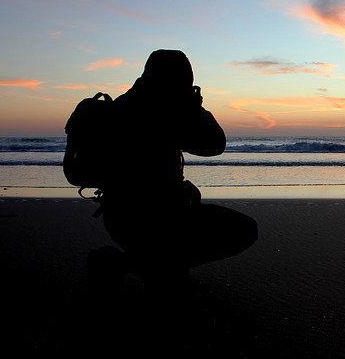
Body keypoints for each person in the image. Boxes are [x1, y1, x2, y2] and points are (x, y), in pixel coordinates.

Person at [96, 49, 257, 287]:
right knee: (244, 230)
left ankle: (155, 263)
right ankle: (127, 263)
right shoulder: (162, 111)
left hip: (119, 218)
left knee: (171, 262)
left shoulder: (124, 104)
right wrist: (194, 107)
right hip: (152, 220)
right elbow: (214, 144)